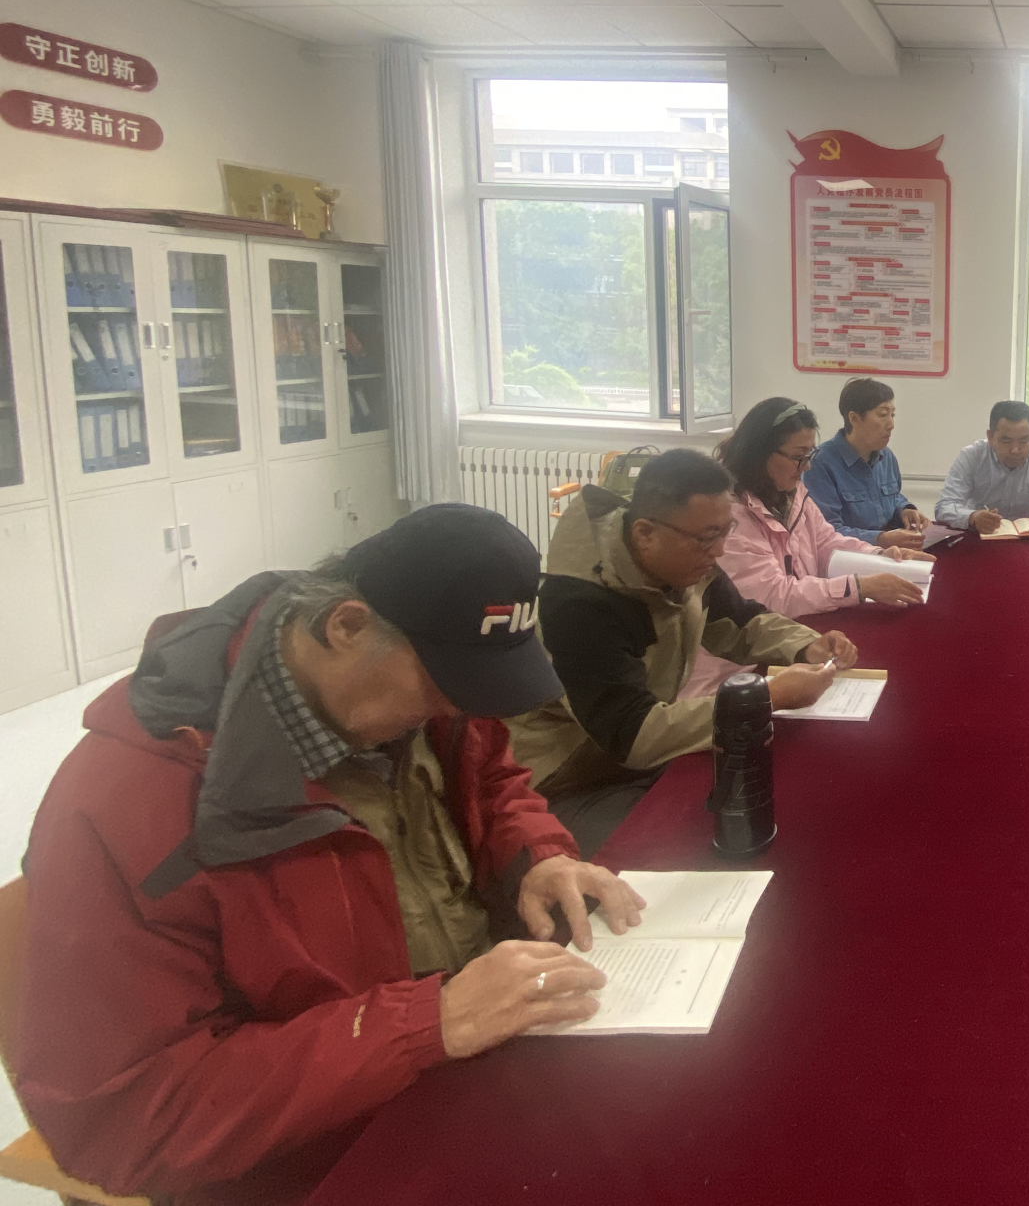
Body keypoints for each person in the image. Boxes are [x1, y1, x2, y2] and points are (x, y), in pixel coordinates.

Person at [13, 505, 648, 1205]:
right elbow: (130, 1119)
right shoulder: (129, 802)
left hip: (461, 1059)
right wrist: (424, 1023)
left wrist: (538, 854)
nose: (455, 708)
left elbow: (495, 779)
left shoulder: (416, 689)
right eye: (442, 687)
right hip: (313, 1149)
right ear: (346, 626)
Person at [507, 447, 853, 853]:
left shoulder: (684, 557)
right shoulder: (580, 604)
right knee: (682, 845)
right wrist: (765, 697)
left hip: (628, 759)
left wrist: (805, 644)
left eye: (725, 532)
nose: (719, 551)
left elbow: (738, 622)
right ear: (645, 534)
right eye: (707, 538)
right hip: (562, 781)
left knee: (758, 801)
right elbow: (632, 736)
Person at [717, 396, 933, 613]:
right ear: (760, 454)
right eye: (799, 456)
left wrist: (879, 556)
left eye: (810, 454)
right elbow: (772, 595)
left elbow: (825, 543)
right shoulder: (730, 516)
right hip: (767, 628)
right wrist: (858, 587)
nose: (807, 466)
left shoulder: (792, 495)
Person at [808, 376, 930, 548]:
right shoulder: (820, 463)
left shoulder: (886, 456)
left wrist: (904, 509)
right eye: (882, 415)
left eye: (892, 415)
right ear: (854, 418)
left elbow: (892, 497)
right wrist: (880, 539)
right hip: (849, 556)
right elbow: (826, 532)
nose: (891, 424)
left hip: (889, 552)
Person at [935, 399, 1029, 540]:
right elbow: (944, 507)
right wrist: (972, 517)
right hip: (982, 538)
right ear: (990, 437)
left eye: (1024, 441)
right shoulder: (971, 457)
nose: (1015, 450)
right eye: (1006, 441)